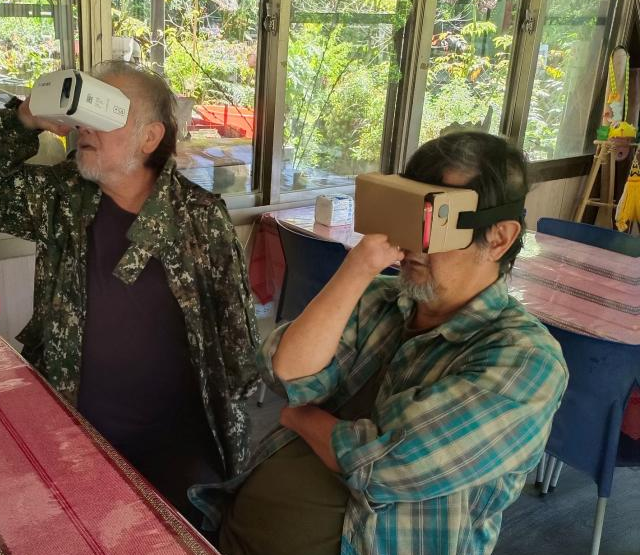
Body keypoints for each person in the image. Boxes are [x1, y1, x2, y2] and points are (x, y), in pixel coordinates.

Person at [190, 132, 569, 555]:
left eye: (434, 222)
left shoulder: (526, 361)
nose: (409, 242)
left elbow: (388, 465)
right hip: (228, 527)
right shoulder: (381, 298)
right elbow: (286, 374)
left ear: (498, 238)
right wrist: (358, 268)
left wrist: (301, 418)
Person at [0, 61, 260, 523]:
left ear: (150, 137)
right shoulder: (63, 199)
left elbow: (238, 346)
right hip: (72, 431)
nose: (85, 127)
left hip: (176, 444)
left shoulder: (199, 219)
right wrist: (25, 118)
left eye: (108, 111)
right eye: (85, 113)